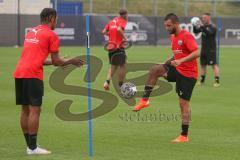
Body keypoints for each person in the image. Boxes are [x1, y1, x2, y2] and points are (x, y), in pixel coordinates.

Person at [13, 8, 84, 155]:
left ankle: (30, 145)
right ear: (52, 18)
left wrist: (55, 62)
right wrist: (71, 61)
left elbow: (40, 59)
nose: (56, 21)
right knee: (35, 109)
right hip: (33, 74)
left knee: (25, 109)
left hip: (20, 72)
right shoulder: (51, 35)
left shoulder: (31, 32)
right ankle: (32, 148)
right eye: (56, 18)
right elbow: (57, 61)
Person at [133, 13, 200, 143]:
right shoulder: (173, 37)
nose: (167, 28)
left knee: (183, 103)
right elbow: (177, 54)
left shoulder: (186, 36)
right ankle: (144, 100)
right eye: (165, 25)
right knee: (155, 70)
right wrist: (167, 62)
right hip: (177, 69)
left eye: (169, 25)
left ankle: (184, 135)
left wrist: (181, 61)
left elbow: (197, 52)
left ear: (176, 24)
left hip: (188, 74)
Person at [102, 8, 128, 90]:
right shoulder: (122, 21)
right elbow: (119, 29)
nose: (127, 16)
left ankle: (107, 82)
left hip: (111, 47)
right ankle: (121, 85)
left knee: (113, 66)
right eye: (127, 15)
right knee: (122, 65)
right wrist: (125, 38)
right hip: (118, 47)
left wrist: (110, 35)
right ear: (124, 15)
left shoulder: (112, 21)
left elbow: (103, 32)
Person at [193, 13, 220, 87]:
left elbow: (209, 33)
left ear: (208, 18)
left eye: (204, 18)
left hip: (211, 50)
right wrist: (194, 25)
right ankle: (202, 81)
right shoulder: (203, 26)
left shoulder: (213, 27)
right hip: (203, 49)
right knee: (202, 65)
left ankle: (217, 81)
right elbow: (196, 31)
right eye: (202, 18)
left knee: (214, 65)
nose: (203, 19)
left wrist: (202, 26)